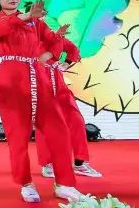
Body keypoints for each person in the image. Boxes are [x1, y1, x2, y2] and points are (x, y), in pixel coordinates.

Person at [0, 0, 81, 203]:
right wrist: (27, 16)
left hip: (38, 76)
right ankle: (26, 183)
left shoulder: (34, 22)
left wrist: (56, 46)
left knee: (58, 129)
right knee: (18, 134)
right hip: (10, 78)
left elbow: (52, 41)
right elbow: (3, 28)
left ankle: (65, 184)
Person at [37, 26, 102, 179]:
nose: (40, 20)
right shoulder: (28, 37)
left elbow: (73, 49)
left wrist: (66, 63)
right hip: (39, 83)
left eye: (42, 17)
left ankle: (80, 163)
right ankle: (48, 163)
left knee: (77, 120)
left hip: (59, 84)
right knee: (46, 125)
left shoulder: (57, 38)